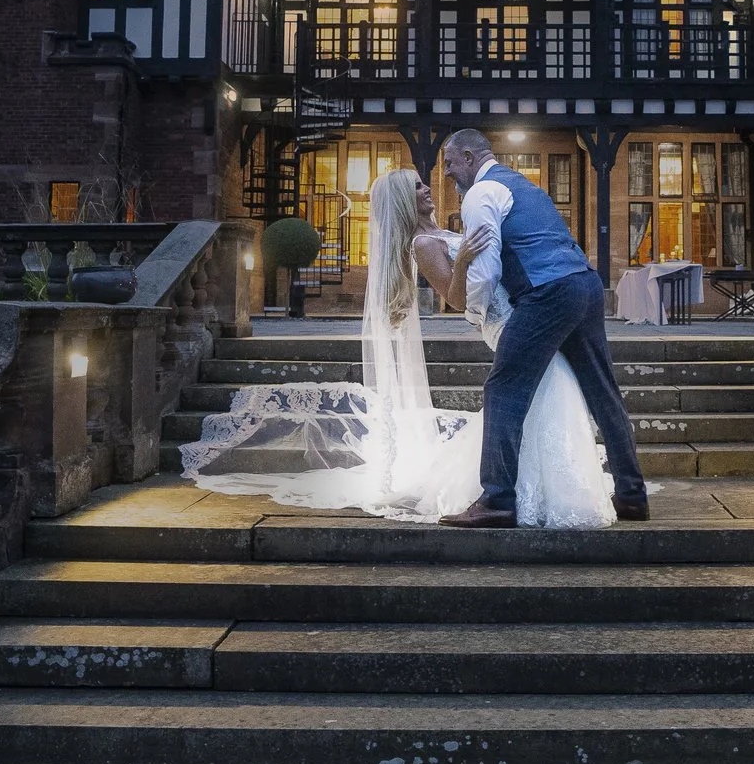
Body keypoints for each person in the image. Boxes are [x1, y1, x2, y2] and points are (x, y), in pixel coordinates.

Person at [178, 164, 619, 527]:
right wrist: (463, 258)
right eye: (418, 187)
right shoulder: (423, 243)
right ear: (405, 201)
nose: (428, 189)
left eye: (424, 183)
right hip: (504, 323)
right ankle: (525, 491)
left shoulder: (440, 230)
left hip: (524, 313)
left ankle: (537, 487)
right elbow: (455, 298)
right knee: (541, 391)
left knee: (549, 392)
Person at [436, 128, 649, 528]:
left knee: (504, 388)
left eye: (449, 163)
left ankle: (498, 499)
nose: (446, 173)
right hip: (585, 283)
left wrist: (475, 313)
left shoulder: (481, 195)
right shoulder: (523, 185)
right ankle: (632, 495)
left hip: (547, 292)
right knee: (603, 391)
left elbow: (485, 269)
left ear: (468, 156)